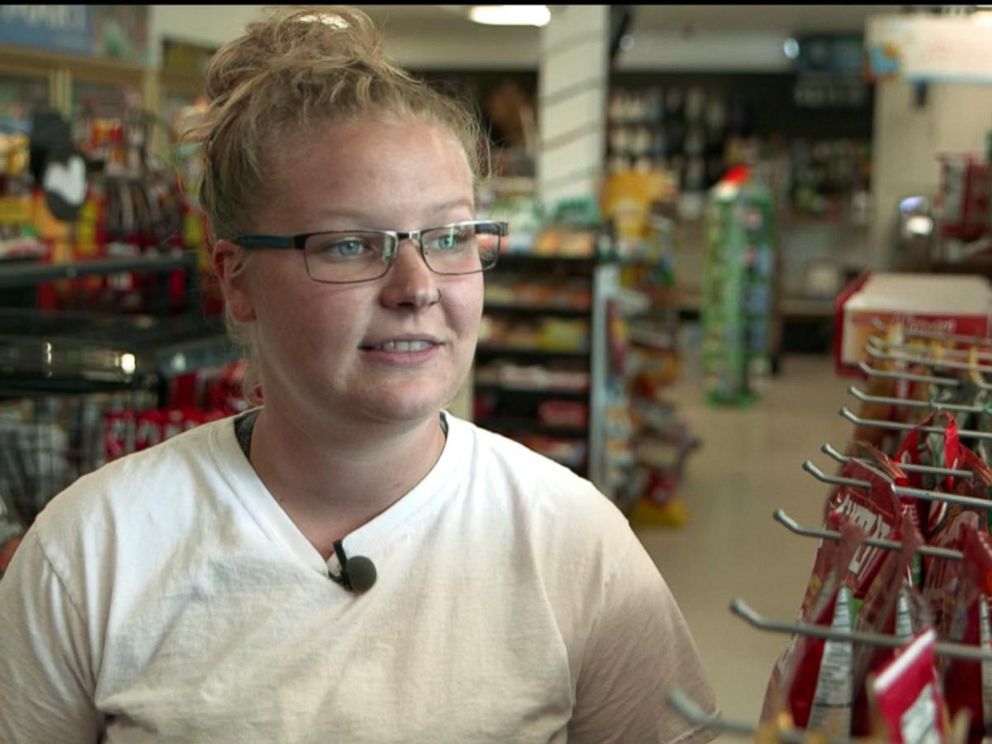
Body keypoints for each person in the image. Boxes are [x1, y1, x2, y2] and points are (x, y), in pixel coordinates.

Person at [0, 6, 718, 742]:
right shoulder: (93, 550)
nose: (417, 286)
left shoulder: (572, 541)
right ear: (235, 276)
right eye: (349, 245)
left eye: (447, 237)